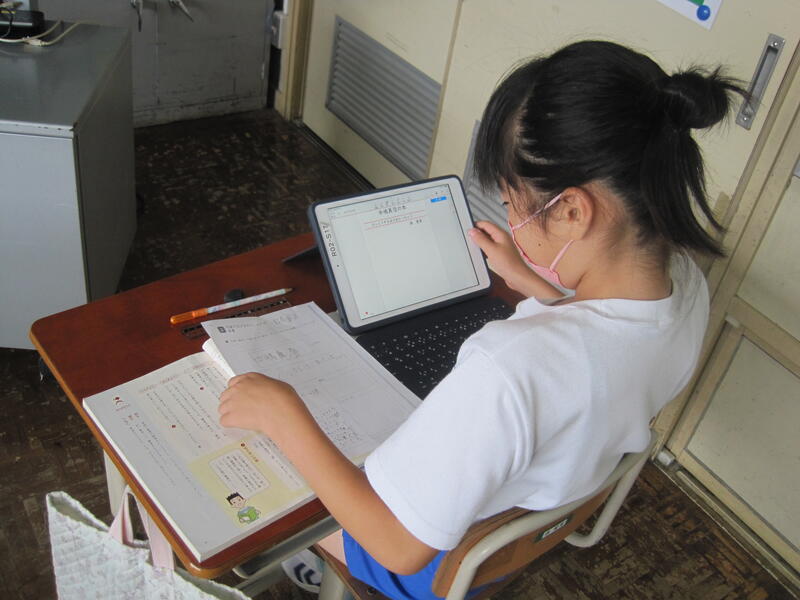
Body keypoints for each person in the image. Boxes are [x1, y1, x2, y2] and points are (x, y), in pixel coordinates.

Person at [217, 41, 745, 599]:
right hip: (521, 524)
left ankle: (311, 561)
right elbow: (602, 348)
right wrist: (535, 285)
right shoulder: (685, 284)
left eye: (513, 203)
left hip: (433, 566)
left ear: (571, 211)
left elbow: (398, 545)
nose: (510, 217)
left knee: (274, 499)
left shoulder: (509, 367)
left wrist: (283, 416)